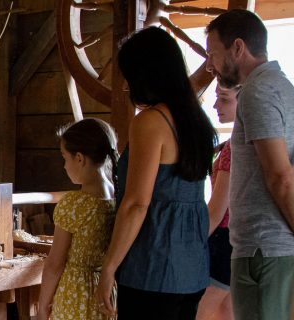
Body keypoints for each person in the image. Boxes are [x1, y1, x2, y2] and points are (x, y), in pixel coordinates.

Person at [95, 26, 218, 319]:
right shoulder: (196, 119)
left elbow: (137, 203)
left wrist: (109, 266)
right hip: (192, 267)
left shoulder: (150, 122)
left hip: (152, 265)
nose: (126, 83)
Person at [205, 10, 294, 320]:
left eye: (213, 53)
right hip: (269, 248)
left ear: (238, 48)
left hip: (262, 248)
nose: (210, 64)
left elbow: (281, 176)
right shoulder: (281, 86)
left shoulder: (258, 92)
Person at [37, 118, 118, 320]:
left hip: (76, 295)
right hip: (107, 292)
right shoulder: (118, 197)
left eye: (65, 158)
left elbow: (55, 264)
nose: (64, 166)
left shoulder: (75, 205)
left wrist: (41, 308)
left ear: (79, 158)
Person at [195, 85, 238, 320]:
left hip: (222, 241)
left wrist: (192, 245)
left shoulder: (234, 148)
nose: (215, 106)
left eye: (224, 99)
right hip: (240, 243)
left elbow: (217, 210)